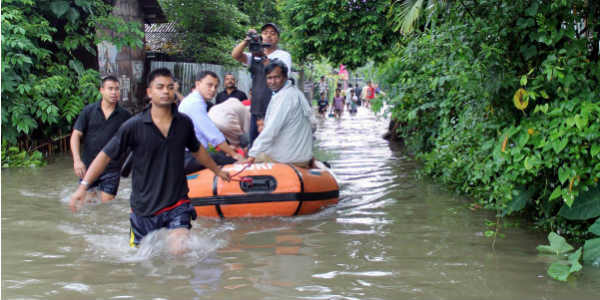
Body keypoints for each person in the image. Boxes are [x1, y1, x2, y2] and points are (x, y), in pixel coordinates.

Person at [70, 68, 230, 255]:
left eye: (170, 87)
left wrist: (217, 171)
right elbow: (105, 155)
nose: (166, 91)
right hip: (143, 208)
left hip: (177, 203)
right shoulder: (133, 126)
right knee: (140, 260)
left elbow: (197, 150)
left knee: (180, 251)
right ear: (149, 92)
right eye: (160, 87)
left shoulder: (184, 123)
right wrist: (83, 187)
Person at [70, 75, 131, 203]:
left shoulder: (125, 116)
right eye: (110, 89)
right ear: (101, 90)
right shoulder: (88, 111)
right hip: (88, 167)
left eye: (117, 89)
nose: (114, 92)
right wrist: (77, 160)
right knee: (87, 205)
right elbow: (75, 135)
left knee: (106, 206)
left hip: (112, 169)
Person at [232, 22, 292, 147]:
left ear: (278, 37)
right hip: (256, 109)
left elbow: (278, 73)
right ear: (261, 37)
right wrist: (247, 40)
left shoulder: (283, 55)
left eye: (272, 33)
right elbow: (235, 55)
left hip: (275, 108)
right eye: (265, 33)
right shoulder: (254, 56)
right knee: (254, 144)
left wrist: (262, 56)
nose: (268, 36)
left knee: (274, 145)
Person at [245, 60, 313, 168]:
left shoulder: (284, 97)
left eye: (276, 77)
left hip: (288, 159)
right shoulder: (297, 93)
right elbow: (313, 125)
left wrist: (251, 155)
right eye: (269, 78)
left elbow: (270, 131)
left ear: (285, 77)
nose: (272, 81)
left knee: (248, 157)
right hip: (303, 156)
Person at [178, 71, 244, 174]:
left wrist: (227, 148)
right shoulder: (194, 104)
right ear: (198, 84)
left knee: (221, 155)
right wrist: (233, 154)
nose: (213, 90)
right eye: (209, 85)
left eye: (215, 86)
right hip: (187, 157)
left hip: (190, 153)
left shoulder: (194, 100)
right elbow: (212, 134)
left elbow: (205, 133)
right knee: (235, 161)